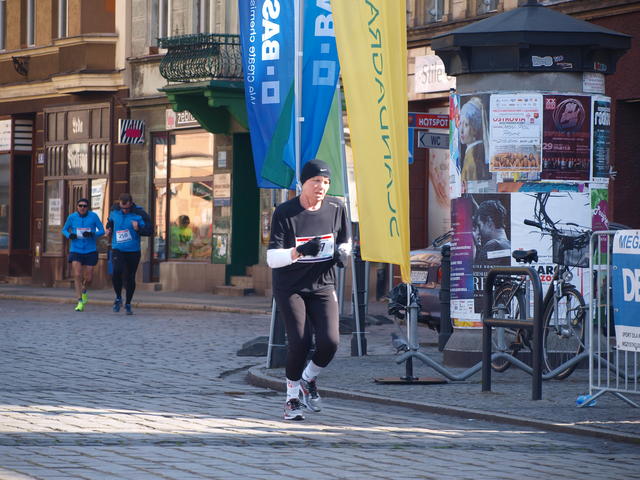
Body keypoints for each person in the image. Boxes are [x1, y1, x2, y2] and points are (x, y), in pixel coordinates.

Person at [267, 159, 351, 421]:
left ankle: (308, 379)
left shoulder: (336, 207)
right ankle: (291, 399)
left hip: (323, 284)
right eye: (315, 181)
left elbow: (346, 240)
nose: (321, 187)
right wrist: (299, 251)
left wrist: (343, 253)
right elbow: (272, 259)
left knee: (330, 342)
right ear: (302, 183)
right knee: (301, 342)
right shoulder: (285, 212)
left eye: (326, 182)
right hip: (290, 287)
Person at [105, 193, 152, 315]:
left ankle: (128, 303)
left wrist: (138, 229)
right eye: (122, 208)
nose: (124, 210)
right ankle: (118, 297)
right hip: (118, 249)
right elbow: (110, 222)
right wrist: (109, 229)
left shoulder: (139, 214)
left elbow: (149, 231)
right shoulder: (114, 211)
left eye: (127, 208)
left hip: (133, 251)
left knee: (129, 277)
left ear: (131, 204)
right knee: (116, 272)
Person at [61, 198, 105, 312]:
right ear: (77, 207)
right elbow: (64, 230)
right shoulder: (72, 217)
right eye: (80, 205)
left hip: (90, 250)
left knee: (89, 278)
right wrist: (69, 235)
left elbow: (102, 230)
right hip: (76, 249)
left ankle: (84, 289)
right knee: (77, 274)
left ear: (88, 208)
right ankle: (79, 301)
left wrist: (92, 234)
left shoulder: (93, 216)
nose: (82, 208)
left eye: (84, 206)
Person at [459, 96, 491, 183]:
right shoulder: (477, 151)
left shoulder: (472, 157)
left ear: (475, 129)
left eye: (466, 124)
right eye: (460, 123)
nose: (461, 130)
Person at [472, 199, 511, 264]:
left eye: (479, 225)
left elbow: (478, 269)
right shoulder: (510, 245)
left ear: (489, 221)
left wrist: (474, 247)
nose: (478, 232)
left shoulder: (493, 246)